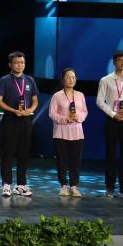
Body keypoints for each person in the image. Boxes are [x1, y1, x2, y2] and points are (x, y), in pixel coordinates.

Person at [0, 51, 38, 197]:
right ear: (10, 64)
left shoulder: (30, 80)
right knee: (8, 152)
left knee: (23, 153)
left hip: (26, 120)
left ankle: (21, 185)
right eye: (16, 63)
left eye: (22, 62)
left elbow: (35, 100)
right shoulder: (4, 80)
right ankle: (6, 184)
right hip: (10, 119)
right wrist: (13, 110)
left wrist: (29, 110)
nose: (19, 65)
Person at [96, 49, 123, 198]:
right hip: (112, 121)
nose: (122, 63)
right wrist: (113, 114)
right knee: (111, 155)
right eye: (120, 60)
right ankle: (110, 187)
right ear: (114, 62)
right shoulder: (105, 80)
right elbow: (99, 101)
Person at [49, 67, 88, 197]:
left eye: (73, 77)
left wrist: (78, 117)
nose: (71, 80)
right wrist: (65, 119)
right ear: (63, 80)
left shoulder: (80, 95)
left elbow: (84, 112)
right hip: (61, 132)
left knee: (75, 161)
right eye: (68, 77)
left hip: (77, 132)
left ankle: (74, 186)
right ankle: (63, 185)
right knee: (62, 161)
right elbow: (52, 114)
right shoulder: (57, 96)